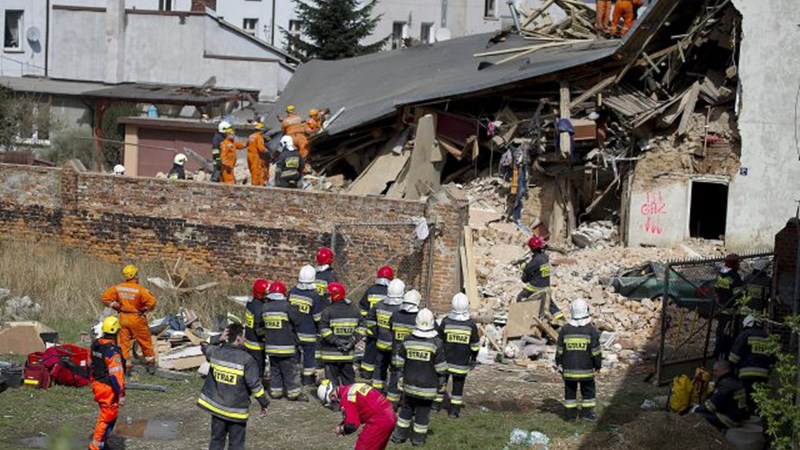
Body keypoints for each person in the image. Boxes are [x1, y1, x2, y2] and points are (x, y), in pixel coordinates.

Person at [197, 323, 270, 450]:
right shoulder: (247, 360)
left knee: (216, 441)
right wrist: (264, 403)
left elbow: (203, 345)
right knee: (236, 444)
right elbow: (254, 385)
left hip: (217, 409)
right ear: (238, 338)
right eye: (243, 337)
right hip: (236, 411)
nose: (245, 340)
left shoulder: (215, 352)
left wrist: (217, 338)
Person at [391, 308, 446, 446]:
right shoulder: (436, 343)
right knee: (422, 413)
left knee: (406, 410)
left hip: (409, 385)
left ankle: (399, 436)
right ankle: (417, 439)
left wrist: (400, 376)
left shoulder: (407, 340)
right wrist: (441, 382)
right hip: (427, 387)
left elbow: (398, 361)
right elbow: (441, 368)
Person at [101, 265, 157, 374]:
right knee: (145, 341)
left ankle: (126, 366)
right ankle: (150, 365)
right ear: (135, 275)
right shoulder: (140, 290)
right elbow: (152, 302)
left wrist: (116, 306)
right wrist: (145, 309)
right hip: (137, 318)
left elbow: (105, 297)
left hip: (123, 318)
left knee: (124, 343)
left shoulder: (119, 288)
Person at [555, 299, 602, 421]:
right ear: (586, 311)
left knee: (570, 394)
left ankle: (570, 416)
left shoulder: (564, 330)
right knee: (588, 393)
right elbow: (596, 352)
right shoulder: (591, 330)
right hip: (586, 371)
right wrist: (598, 365)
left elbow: (559, 350)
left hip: (569, 371)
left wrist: (558, 363)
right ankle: (587, 415)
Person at [435, 293, 480, 418]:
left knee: (441, 383)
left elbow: (438, 341)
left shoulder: (445, 321)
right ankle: (454, 411)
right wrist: (473, 359)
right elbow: (475, 345)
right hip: (461, 364)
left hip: (445, 362)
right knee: (458, 387)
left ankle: (435, 406)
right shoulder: (470, 325)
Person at [261, 281, 307, 401]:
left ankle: (276, 393)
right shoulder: (286, 306)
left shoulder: (265, 307)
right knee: (290, 372)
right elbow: (298, 320)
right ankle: (293, 394)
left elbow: (260, 327)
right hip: (287, 347)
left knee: (275, 370)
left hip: (271, 348)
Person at [319, 380, 397, 450]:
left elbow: (352, 425)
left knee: (362, 446)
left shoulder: (346, 398)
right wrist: (342, 424)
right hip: (389, 414)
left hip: (379, 421)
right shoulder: (351, 388)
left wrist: (341, 429)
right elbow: (358, 413)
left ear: (332, 396)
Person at [319, 282, 364, 397]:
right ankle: (350, 401)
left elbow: (324, 329)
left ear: (335, 295)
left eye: (329, 295)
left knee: (332, 383)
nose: (327, 298)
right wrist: (352, 340)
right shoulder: (354, 310)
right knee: (348, 381)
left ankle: (334, 403)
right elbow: (362, 327)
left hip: (331, 355)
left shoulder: (327, 311)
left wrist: (336, 341)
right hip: (347, 355)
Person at [89, 316, 125, 450]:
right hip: (108, 388)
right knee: (106, 417)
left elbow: (91, 364)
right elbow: (116, 375)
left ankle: (102, 442)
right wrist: (121, 393)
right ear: (116, 333)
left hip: (97, 384)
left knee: (110, 415)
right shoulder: (112, 352)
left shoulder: (96, 345)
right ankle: (96, 446)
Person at [365, 278, 404, 392]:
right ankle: (393, 394)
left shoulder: (379, 305)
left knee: (379, 368)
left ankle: (376, 393)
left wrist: (376, 333)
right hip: (396, 347)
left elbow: (370, 319)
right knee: (396, 370)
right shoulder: (401, 309)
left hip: (381, 344)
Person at [729, 315, 774, 413]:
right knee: (759, 396)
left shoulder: (744, 334)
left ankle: (745, 413)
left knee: (745, 396)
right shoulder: (767, 337)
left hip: (746, 374)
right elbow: (772, 358)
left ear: (747, 324)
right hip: (763, 374)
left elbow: (734, 356)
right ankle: (757, 414)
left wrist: (732, 369)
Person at [517, 236, 564, 328]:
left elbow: (527, 269)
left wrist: (521, 264)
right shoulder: (544, 257)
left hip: (535, 288)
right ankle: (561, 320)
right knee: (550, 304)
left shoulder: (537, 260)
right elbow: (536, 270)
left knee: (521, 298)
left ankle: (524, 320)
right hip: (546, 287)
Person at [288, 265, 323, 386]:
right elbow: (318, 317)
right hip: (309, 333)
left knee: (294, 357)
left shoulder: (292, 292)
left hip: (294, 333)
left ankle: (294, 379)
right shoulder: (314, 295)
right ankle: (307, 380)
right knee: (309, 358)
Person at [386, 289, 421, 409]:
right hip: (413, 358)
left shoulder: (395, 315)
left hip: (396, 354)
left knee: (394, 379)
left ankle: (391, 404)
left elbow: (390, 330)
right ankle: (409, 405)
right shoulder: (419, 317)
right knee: (412, 381)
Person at [693, 360, 749, 431]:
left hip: (730, 419)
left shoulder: (726, 384)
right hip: (737, 415)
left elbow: (713, 404)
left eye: (716, 370)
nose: (714, 373)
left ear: (723, 370)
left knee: (698, 416)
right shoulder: (734, 379)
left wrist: (697, 409)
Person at [359, 267, 394, 379]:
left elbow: (363, 309)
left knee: (370, 349)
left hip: (371, 326)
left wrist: (365, 321)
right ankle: (382, 373)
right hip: (386, 328)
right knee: (384, 354)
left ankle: (366, 372)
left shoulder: (371, 290)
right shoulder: (392, 292)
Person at [713, 253, 744, 359]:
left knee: (720, 330)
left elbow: (716, 289)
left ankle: (717, 351)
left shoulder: (720, 275)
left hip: (721, 307)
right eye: (738, 263)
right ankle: (728, 353)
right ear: (735, 264)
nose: (739, 265)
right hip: (732, 310)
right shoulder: (735, 277)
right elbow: (739, 295)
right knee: (731, 333)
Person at [244, 279, 270, 378]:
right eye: (266, 293)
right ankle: (257, 388)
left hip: (248, 341)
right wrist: (267, 336)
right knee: (258, 369)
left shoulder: (250, 302)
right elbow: (258, 328)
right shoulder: (260, 308)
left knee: (248, 367)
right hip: (257, 345)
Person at [247, 122, 268, 186]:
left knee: (252, 171)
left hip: (249, 155)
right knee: (257, 171)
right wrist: (266, 151)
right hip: (255, 156)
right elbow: (261, 148)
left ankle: (254, 184)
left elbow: (248, 144)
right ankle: (256, 186)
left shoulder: (251, 136)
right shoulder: (259, 137)